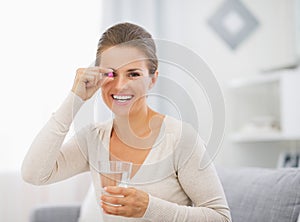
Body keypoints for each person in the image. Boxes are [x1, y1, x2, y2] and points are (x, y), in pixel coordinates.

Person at [22, 22, 231, 221]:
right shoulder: (93, 138)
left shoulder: (181, 139)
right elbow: (34, 174)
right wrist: (75, 99)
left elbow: (221, 217)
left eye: (133, 74)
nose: (120, 86)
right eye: (111, 73)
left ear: (153, 79)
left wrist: (149, 207)